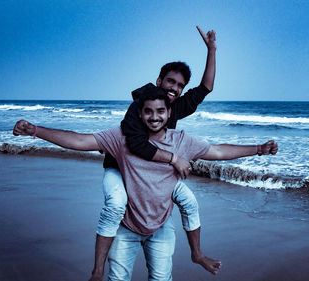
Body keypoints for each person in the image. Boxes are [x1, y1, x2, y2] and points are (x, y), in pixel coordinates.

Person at [13, 87, 278, 280]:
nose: (154, 117)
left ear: (169, 112)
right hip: (125, 230)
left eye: (160, 111)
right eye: (148, 111)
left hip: (161, 230)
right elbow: (79, 141)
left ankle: (196, 253)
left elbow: (218, 151)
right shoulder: (120, 138)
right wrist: (36, 130)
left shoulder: (182, 141)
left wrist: (258, 148)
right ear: (140, 114)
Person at [91, 26, 218, 279]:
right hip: (121, 168)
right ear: (159, 80)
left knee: (189, 200)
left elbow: (206, 88)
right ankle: (97, 270)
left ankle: (197, 253)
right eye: (170, 81)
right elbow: (137, 146)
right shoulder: (141, 106)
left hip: (153, 173)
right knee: (117, 203)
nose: (174, 88)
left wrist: (212, 50)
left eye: (180, 85)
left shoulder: (173, 106)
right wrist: (174, 158)